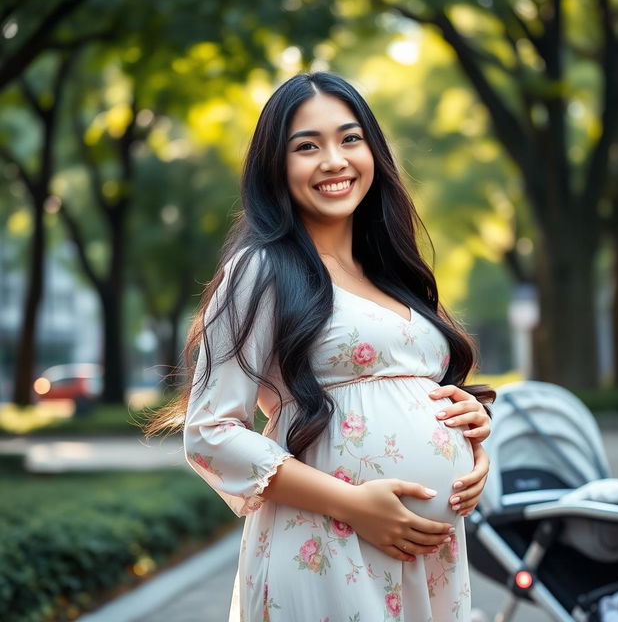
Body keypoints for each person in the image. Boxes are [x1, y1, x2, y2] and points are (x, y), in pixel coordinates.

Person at [144, 72, 494, 621]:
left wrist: (470, 434)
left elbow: (414, 389)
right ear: (276, 167)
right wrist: (354, 505)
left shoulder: (392, 275)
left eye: (350, 139)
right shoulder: (260, 272)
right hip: (328, 544)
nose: (335, 160)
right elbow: (210, 432)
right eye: (307, 146)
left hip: (429, 559)